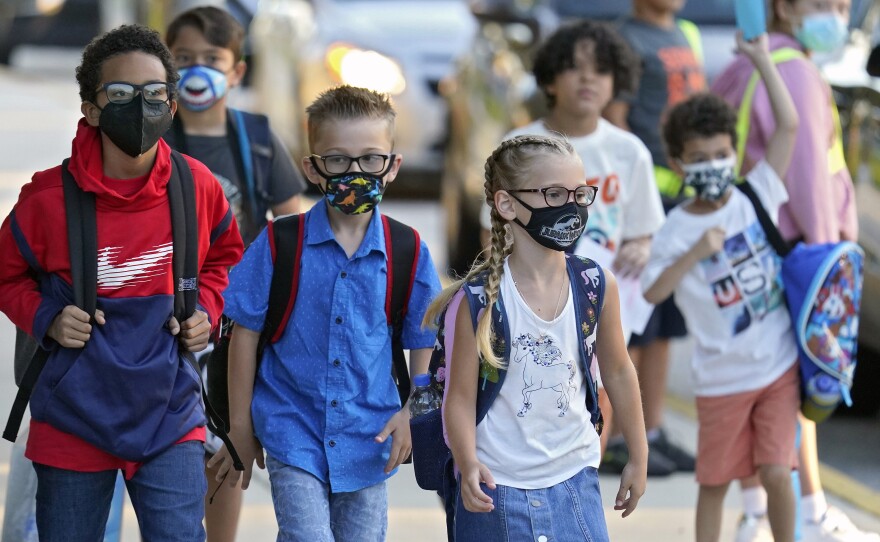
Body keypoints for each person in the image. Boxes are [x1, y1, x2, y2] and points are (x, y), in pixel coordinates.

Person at [0, 23, 244, 541]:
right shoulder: (46, 200)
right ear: (90, 108)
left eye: (155, 94)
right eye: (120, 94)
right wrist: (45, 316)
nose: (140, 105)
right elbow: (6, 273)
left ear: (173, 106)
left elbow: (227, 258)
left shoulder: (197, 187)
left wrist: (206, 309)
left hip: (170, 416)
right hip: (71, 420)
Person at [207, 85, 442, 541]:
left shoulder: (408, 249)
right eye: (338, 160)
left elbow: (423, 340)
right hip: (290, 427)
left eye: (371, 158)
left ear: (392, 166)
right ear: (312, 167)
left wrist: (414, 411)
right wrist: (239, 427)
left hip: (370, 435)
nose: (355, 171)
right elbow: (244, 335)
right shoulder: (281, 244)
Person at [712, 1, 878, 540]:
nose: (836, 12)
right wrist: (830, 260)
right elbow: (809, 174)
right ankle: (810, 513)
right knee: (797, 390)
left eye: (840, 3)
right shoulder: (800, 73)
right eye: (820, 3)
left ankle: (757, 512)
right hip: (798, 253)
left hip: (744, 249)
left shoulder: (741, 66)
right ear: (783, 6)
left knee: (757, 386)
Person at [434, 134, 648, 541]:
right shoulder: (478, 301)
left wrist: (639, 455)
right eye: (553, 194)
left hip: (575, 480)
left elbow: (619, 371)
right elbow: (458, 398)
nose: (570, 207)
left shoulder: (595, 284)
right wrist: (467, 462)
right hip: (497, 487)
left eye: (580, 194)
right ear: (507, 204)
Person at [488, 19, 666, 473]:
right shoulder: (517, 147)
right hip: (531, 298)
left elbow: (646, 229)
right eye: (574, 68)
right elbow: (496, 229)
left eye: (601, 70)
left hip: (598, 298)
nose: (588, 79)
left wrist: (642, 248)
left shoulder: (629, 152)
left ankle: (582, 470)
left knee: (601, 383)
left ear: (617, 83)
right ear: (548, 78)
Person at [642, 31, 800, 542]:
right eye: (699, 158)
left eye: (721, 153)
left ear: (734, 153)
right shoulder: (675, 229)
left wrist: (761, 62)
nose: (713, 166)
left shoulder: (753, 197)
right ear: (679, 164)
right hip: (721, 381)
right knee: (714, 483)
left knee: (778, 472)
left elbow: (789, 126)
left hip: (777, 365)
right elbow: (653, 292)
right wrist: (694, 253)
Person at [162, 7, 307, 540]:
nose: (197, 71)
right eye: (183, 60)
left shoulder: (258, 136)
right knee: (172, 442)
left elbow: (292, 226)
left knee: (224, 441)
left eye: (212, 60)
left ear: (237, 71)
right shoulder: (151, 135)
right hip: (166, 313)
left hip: (234, 318)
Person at [603, 0, 707, 476]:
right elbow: (619, 118)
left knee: (666, 320)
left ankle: (655, 427)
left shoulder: (685, 30)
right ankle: (622, 434)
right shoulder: (626, 40)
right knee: (637, 318)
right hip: (648, 201)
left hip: (682, 198)